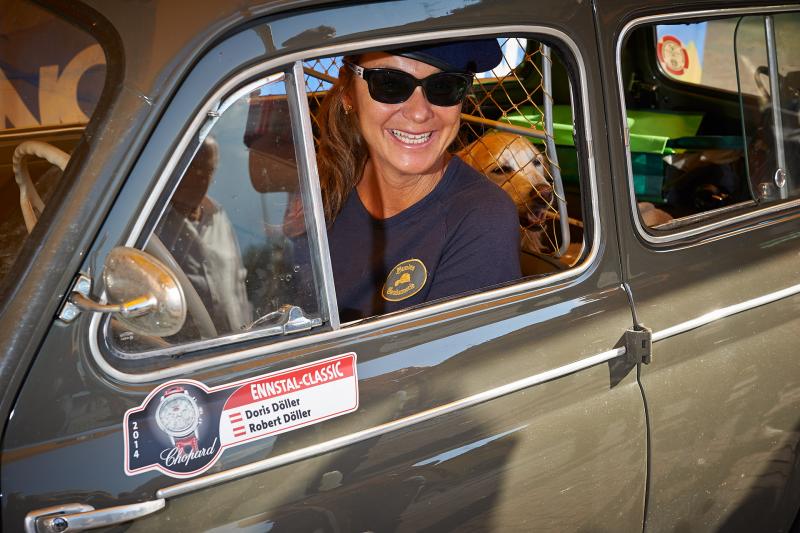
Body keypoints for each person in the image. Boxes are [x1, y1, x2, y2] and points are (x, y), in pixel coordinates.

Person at [315, 40, 522, 321]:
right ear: (348, 92)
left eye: (444, 86)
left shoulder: (481, 218)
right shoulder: (324, 181)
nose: (419, 112)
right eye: (390, 84)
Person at [156, 136, 251, 336]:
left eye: (208, 170)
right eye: (194, 168)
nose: (201, 179)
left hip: (237, 344)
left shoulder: (219, 218)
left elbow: (238, 286)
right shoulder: (153, 228)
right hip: (182, 349)